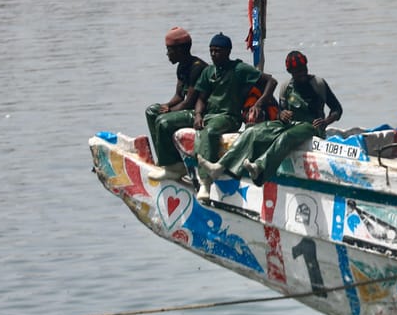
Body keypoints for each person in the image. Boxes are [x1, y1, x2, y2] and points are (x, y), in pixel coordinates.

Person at [199, 50, 342, 187]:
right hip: (291, 124)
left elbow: (337, 110)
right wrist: (282, 115)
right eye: (297, 71)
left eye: (303, 69)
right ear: (290, 72)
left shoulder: (318, 84)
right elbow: (280, 113)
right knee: (252, 132)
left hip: (311, 127)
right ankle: (220, 166)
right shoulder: (286, 87)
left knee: (286, 137)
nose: (302, 73)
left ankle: (260, 168)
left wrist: (326, 121)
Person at [192, 32, 277, 201]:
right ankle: (171, 165)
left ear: (228, 51)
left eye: (218, 51)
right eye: (211, 51)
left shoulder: (238, 69)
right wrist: (198, 114)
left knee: (209, 132)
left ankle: (205, 182)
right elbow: (201, 98)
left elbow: (271, 82)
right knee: (167, 121)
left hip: (227, 116)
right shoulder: (209, 71)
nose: (214, 54)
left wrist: (259, 103)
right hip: (208, 114)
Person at [146, 27, 207, 180]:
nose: (167, 54)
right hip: (186, 107)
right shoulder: (182, 66)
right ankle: (164, 159)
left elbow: (189, 102)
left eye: (169, 50)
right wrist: (167, 106)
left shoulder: (197, 67)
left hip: (199, 111)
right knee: (152, 111)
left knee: (164, 122)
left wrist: (170, 112)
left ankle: (175, 166)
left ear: (180, 50)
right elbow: (179, 96)